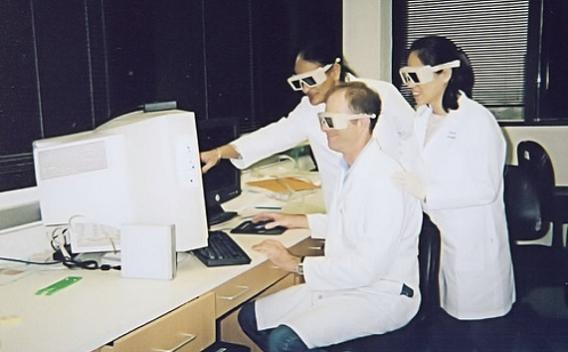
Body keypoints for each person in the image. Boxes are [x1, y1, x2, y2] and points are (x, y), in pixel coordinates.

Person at [236, 82, 423, 352]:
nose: (324, 128)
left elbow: (367, 267)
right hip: (348, 283)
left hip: (382, 292)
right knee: (251, 317)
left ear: (360, 123)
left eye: (331, 121)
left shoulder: (385, 179)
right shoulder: (350, 166)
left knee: (283, 341)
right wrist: (300, 220)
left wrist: (295, 264)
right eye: (323, 119)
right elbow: (352, 223)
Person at [200, 42, 415, 236]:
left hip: (390, 208)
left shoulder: (382, 94)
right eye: (299, 82)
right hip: (343, 218)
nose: (305, 89)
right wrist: (220, 153)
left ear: (335, 71)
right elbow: (273, 136)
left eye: (310, 80)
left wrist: (414, 188)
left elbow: (416, 138)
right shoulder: (308, 111)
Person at [394, 35, 515, 351]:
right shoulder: (422, 117)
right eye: (405, 77)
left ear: (444, 73)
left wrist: (427, 192)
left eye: (415, 76)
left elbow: (485, 188)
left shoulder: (476, 121)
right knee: (450, 324)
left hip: (474, 240)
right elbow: (406, 160)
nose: (410, 85)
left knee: (478, 330)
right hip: (440, 233)